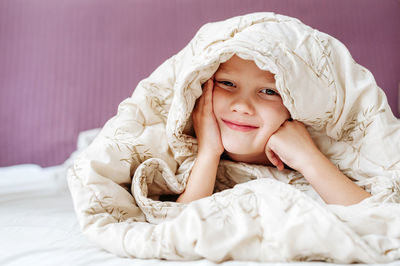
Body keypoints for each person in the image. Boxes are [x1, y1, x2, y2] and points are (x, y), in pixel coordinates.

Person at [176, 54, 372, 205]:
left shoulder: (335, 156)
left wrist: (309, 159)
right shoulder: (178, 162)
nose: (242, 106)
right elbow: (176, 231)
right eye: (227, 83)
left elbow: (379, 219)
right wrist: (208, 153)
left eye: (269, 91)